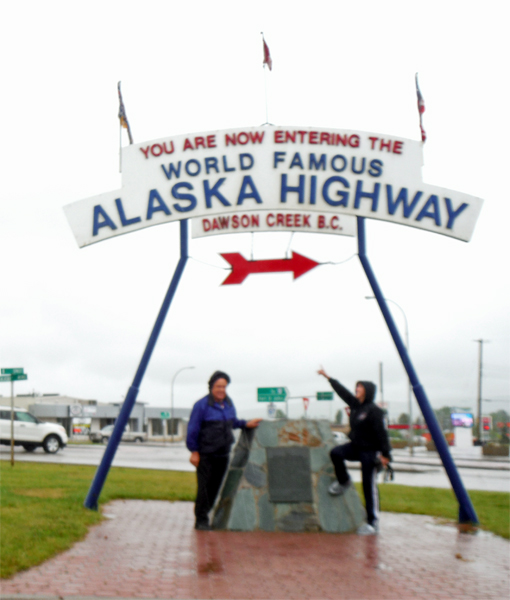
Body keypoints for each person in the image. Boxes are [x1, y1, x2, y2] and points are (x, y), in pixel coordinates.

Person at [318, 367, 391, 535]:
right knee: (336, 453)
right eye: (356, 387)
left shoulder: (374, 411)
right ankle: (344, 481)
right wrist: (328, 377)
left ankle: (372, 523)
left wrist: (386, 455)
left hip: (370, 452)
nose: (356, 389)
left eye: (359, 387)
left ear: (367, 391)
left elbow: (382, 434)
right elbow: (341, 391)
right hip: (356, 447)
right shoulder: (355, 405)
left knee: (368, 485)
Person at [186, 370, 262, 530]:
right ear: (211, 387)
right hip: (206, 454)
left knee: (215, 487)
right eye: (218, 386)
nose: (221, 389)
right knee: (204, 488)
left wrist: (246, 424)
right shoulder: (201, 405)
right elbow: (193, 429)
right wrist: (194, 451)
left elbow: (232, 422)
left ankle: (207, 514)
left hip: (223, 453)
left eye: (224, 386)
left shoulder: (228, 403)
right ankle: (200, 520)